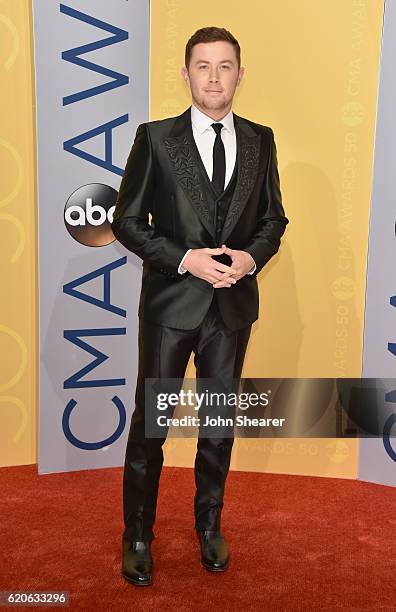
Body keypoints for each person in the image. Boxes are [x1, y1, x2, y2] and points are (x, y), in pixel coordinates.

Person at [111, 26, 289, 586]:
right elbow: (127, 221)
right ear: (185, 74)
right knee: (152, 426)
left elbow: (272, 219)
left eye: (225, 66)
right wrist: (185, 258)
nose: (214, 76)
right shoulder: (157, 138)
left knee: (218, 424)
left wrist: (249, 259)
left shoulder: (261, 140)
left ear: (241, 73)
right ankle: (138, 532)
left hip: (231, 311)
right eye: (203, 66)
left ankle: (209, 525)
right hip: (170, 307)